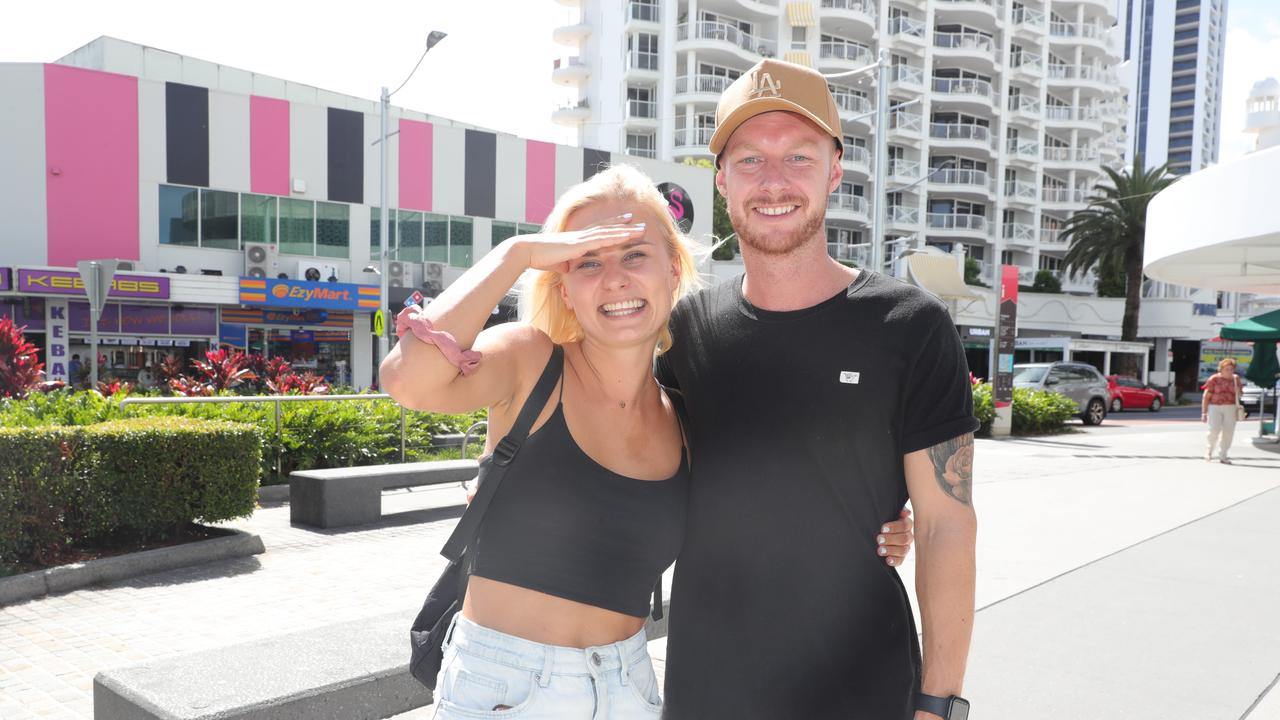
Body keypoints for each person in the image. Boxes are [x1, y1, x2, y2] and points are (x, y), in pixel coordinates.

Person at [380, 164, 919, 719]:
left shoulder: (684, 416)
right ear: (563, 286)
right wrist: (516, 252)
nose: (614, 278)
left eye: (634, 254)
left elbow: (768, 501)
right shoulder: (529, 360)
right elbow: (406, 381)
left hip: (631, 689)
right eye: (588, 260)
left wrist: (880, 525)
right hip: (504, 691)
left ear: (672, 270)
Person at [655, 59, 979, 720]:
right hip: (707, 694)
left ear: (835, 170)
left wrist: (938, 704)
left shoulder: (912, 327)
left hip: (864, 691)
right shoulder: (682, 331)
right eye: (750, 161)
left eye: (797, 157)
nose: (773, 182)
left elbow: (947, 525)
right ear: (722, 181)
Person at [1202, 357, 1244, 464]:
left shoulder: (1236, 378)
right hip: (1215, 407)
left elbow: (1241, 394)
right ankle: (1209, 450)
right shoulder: (1214, 379)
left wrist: (1238, 391)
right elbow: (1206, 396)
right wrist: (1204, 412)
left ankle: (1223, 455)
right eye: (1227, 369)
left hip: (1230, 407)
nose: (1229, 371)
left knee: (1228, 432)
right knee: (1214, 429)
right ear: (1221, 369)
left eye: (1231, 369)